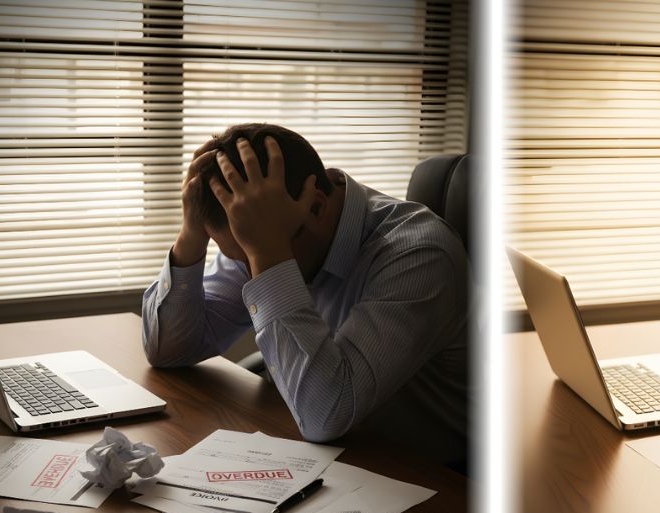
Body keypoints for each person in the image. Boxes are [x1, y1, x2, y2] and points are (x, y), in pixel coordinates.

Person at [142, 123, 471, 464]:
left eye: (254, 251)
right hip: (336, 458)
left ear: (315, 207)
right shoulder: (260, 228)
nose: (246, 265)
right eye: (241, 256)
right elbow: (169, 350)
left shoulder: (420, 256)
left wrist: (268, 252)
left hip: (427, 477)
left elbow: (324, 415)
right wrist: (191, 236)